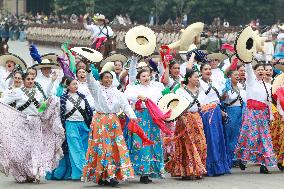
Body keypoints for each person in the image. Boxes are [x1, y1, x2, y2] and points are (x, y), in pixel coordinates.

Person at [0, 72, 64, 183]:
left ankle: (34, 173)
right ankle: (21, 173)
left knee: (35, 148)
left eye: (32, 79)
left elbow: (44, 102)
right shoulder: (17, 92)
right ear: (23, 81)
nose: (30, 81)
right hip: (21, 123)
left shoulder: (38, 93)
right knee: (22, 150)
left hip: (35, 123)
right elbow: (4, 102)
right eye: (28, 79)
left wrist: (52, 82)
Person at [82, 71, 136, 187]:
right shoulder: (97, 90)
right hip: (100, 121)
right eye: (106, 78)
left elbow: (125, 106)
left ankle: (110, 175)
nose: (108, 80)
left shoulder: (118, 93)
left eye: (110, 78)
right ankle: (106, 176)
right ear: (101, 80)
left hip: (113, 122)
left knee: (115, 147)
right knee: (102, 148)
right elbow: (90, 82)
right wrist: (88, 72)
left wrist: (133, 117)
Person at [124, 69, 166, 184]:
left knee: (153, 142)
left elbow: (161, 100)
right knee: (140, 143)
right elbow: (127, 95)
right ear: (139, 78)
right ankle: (142, 172)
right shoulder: (133, 88)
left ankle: (149, 171)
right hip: (140, 117)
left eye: (148, 75)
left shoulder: (155, 88)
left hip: (153, 117)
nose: (146, 78)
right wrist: (139, 96)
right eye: (143, 76)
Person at [235, 64, 277, 174]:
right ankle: (243, 159)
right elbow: (248, 68)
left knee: (265, 139)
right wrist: (248, 60)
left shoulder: (268, 85)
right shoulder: (251, 81)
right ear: (254, 71)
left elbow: (268, 102)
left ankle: (264, 165)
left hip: (263, 114)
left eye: (263, 70)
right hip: (251, 112)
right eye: (259, 70)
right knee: (251, 137)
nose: (262, 72)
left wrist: (271, 115)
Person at [166, 69, 207, 180]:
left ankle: (198, 169)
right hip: (184, 119)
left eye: (198, 77)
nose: (198, 79)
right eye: (195, 77)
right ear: (189, 78)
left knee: (200, 143)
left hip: (197, 118)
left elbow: (203, 105)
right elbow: (174, 105)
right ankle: (186, 171)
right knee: (186, 144)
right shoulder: (180, 91)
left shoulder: (200, 91)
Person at [199, 63, 231, 176]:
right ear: (201, 71)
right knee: (210, 138)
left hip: (216, 111)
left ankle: (220, 166)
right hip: (207, 112)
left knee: (218, 138)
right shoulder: (199, 82)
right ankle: (210, 167)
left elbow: (217, 98)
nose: (208, 71)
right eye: (205, 69)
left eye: (209, 69)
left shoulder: (214, 82)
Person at [59, 77, 93, 180]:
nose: (76, 86)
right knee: (76, 149)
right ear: (68, 86)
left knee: (84, 148)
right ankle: (84, 171)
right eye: (73, 84)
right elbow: (60, 114)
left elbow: (89, 111)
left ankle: (77, 174)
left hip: (82, 125)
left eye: (76, 84)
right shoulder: (63, 98)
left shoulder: (82, 97)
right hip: (70, 125)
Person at [222, 70, 246, 167]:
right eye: (235, 74)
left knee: (238, 134)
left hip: (240, 112)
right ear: (229, 76)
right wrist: (224, 94)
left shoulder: (241, 87)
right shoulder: (226, 87)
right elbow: (222, 99)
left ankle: (236, 157)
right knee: (229, 134)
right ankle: (228, 158)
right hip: (231, 111)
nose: (237, 76)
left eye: (238, 74)